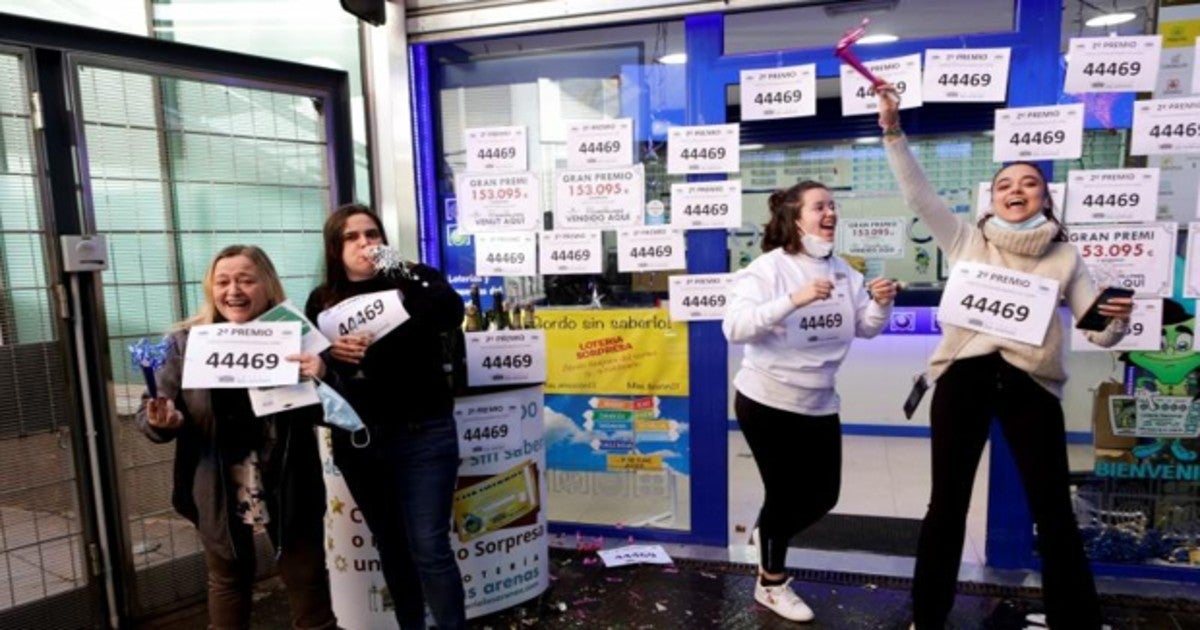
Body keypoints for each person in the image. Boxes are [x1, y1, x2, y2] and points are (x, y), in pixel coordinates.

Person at [875, 85, 1134, 629]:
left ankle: (1077, 620)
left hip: (1031, 384)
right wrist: (893, 130)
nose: (1016, 190)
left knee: (1054, 512)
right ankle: (927, 617)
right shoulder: (967, 240)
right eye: (1004, 184)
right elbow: (918, 196)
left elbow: (1101, 334)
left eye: (1029, 183)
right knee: (946, 506)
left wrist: (1117, 318)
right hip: (964, 378)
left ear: (1044, 197)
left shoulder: (1067, 256)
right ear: (992, 199)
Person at [723, 181, 898, 622]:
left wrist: (881, 304)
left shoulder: (845, 271)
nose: (830, 213)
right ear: (795, 217)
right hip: (766, 399)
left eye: (833, 206)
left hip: (819, 401)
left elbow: (866, 327)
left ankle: (768, 536)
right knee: (784, 493)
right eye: (820, 206)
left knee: (823, 495)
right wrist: (792, 300)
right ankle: (772, 582)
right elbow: (736, 327)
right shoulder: (768, 270)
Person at [136, 245, 336, 630]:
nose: (234, 290)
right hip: (216, 481)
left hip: (289, 475)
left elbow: (334, 411)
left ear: (267, 285)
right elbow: (151, 414)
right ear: (210, 288)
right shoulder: (185, 342)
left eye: (246, 279)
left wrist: (322, 375)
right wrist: (164, 421)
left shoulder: (295, 336)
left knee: (306, 575)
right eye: (223, 281)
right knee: (227, 577)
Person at [305, 203, 466, 630]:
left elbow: (451, 313)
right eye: (352, 237)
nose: (365, 243)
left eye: (372, 234)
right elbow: (312, 369)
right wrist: (329, 353)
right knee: (391, 546)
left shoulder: (416, 280)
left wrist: (398, 266)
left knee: (429, 546)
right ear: (334, 248)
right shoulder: (322, 301)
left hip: (424, 435)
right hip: (361, 443)